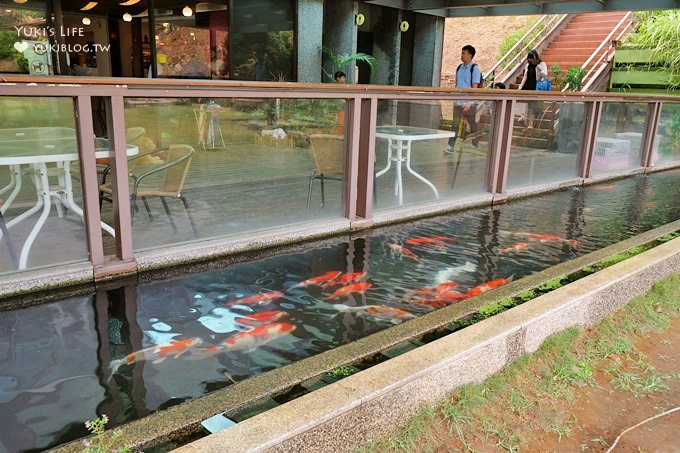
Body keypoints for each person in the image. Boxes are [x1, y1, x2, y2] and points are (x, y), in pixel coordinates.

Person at [445, 44, 482, 154]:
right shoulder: (459, 68)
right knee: (455, 124)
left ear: (470, 55)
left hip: (469, 103)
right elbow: (458, 85)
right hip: (458, 102)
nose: (462, 55)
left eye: (464, 53)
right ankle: (450, 146)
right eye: (461, 53)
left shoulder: (474, 69)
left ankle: (476, 144)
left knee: (472, 125)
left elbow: (475, 88)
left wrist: (470, 102)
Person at [518, 49, 548, 128]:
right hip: (527, 86)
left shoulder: (542, 64)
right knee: (525, 102)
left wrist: (539, 68)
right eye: (529, 59)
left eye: (532, 58)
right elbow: (525, 76)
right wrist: (521, 86)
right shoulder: (528, 65)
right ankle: (523, 115)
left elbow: (545, 75)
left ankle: (531, 123)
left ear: (536, 57)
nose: (531, 60)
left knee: (532, 105)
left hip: (536, 86)